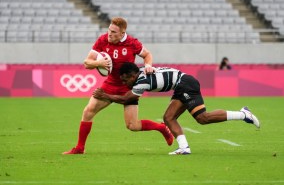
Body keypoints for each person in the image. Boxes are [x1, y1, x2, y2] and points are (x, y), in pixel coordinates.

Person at [93, 62, 260, 155]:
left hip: (185, 83)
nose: (124, 83)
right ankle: (184, 148)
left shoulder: (141, 81)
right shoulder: (142, 72)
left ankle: (243, 114)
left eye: (125, 80)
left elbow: (127, 98)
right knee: (169, 117)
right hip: (181, 84)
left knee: (202, 118)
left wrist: (105, 95)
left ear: (132, 75)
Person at [63, 17, 173, 154]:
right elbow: (87, 62)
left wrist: (148, 66)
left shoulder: (132, 43)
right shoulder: (102, 40)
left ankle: (161, 128)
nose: (110, 34)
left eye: (114, 32)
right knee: (88, 112)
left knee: (132, 126)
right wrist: (99, 64)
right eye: (109, 30)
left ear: (122, 33)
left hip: (129, 87)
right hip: (110, 84)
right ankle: (80, 148)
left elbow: (147, 54)